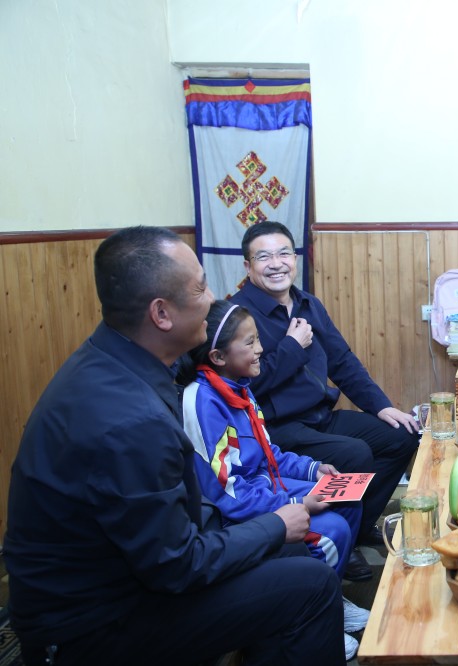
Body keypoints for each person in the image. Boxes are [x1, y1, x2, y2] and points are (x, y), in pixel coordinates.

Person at [3, 226, 345, 666]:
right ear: (161, 314)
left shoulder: (115, 356)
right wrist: (277, 523)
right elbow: (177, 566)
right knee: (310, 584)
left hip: (131, 574)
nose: (212, 299)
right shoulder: (129, 420)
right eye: (201, 288)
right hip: (94, 624)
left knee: (289, 553)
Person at [178, 299, 369, 661]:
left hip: (265, 486)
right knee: (333, 531)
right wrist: (296, 504)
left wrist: (314, 470)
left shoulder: (239, 386)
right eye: (249, 342)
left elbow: (270, 454)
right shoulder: (202, 401)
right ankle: (313, 616)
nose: (261, 349)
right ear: (218, 356)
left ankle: (332, 602)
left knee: (347, 498)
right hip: (238, 511)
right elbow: (226, 493)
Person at [229, 221, 420, 581]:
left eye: (284, 253)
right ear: (247, 266)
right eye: (264, 257)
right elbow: (246, 384)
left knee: (402, 435)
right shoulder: (239, 315)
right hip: (275, 427)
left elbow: (342, 361)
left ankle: (359, 525)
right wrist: (291, 346)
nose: (276, 264)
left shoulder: (308, 304)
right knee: (354, 454)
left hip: (319, 417)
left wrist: (382, 406)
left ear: (295, 258)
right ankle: (340, 541)